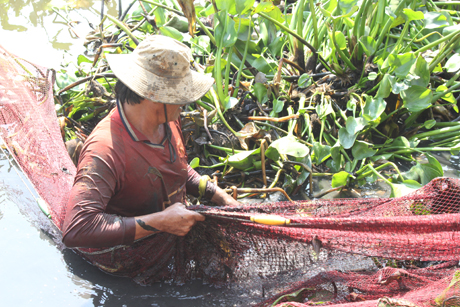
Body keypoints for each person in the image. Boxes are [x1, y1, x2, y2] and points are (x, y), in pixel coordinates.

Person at [62, 35, 239, 250]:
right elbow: (77, 229)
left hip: (174, 232)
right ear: (154, 95)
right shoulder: (106, 149)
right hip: (130, 253)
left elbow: (178, 169)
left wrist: (221, 197)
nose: (184, 103)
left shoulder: (168, 119)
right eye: (180, 95)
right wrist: (160, 222)